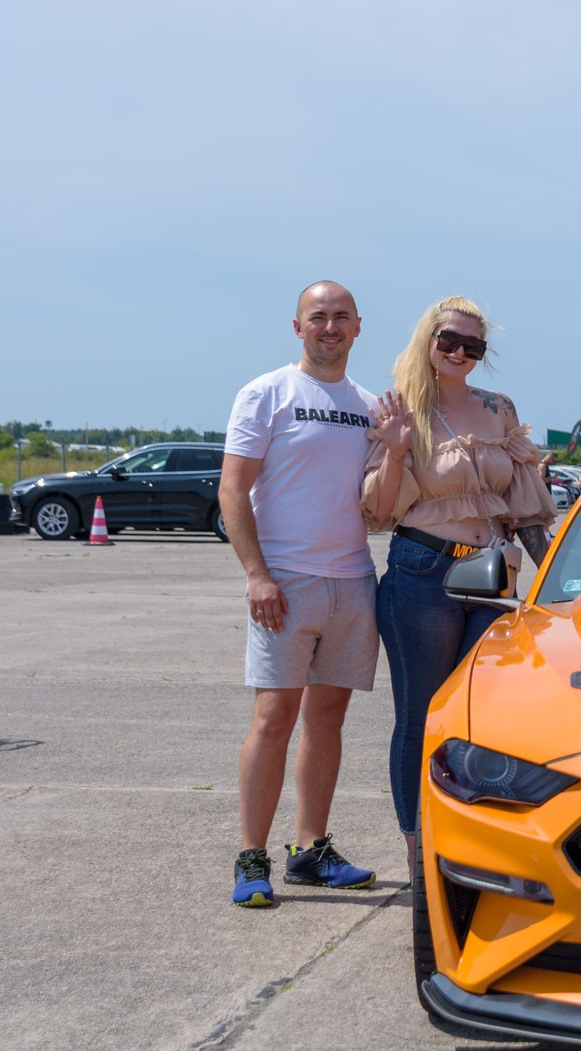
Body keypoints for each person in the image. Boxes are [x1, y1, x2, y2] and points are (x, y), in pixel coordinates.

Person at [362, 297, 555, 867]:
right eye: (450, 341)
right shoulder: (399, 410)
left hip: (493, 576)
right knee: (421, 716)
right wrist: (396, 450)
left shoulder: (498, 409)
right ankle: (420, 852)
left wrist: (556, 577)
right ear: (428, 341)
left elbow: (527, 508)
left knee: (481, 716)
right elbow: (379, 511)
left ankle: (473, 843)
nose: (460, 353)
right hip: (423, 572)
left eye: (473, 346)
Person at [218, 281, 382, 907]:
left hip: (352, 581)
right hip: (284, 582)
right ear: (298, 327)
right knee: (273, 717)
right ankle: (251, 857)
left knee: (328, 716)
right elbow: (233, 490)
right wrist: (257, 575)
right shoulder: (267, 393)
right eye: (318, 317)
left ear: (358, 326)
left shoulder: (369, 405)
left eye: (341, 317)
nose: (329, 327)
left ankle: (310, 851)